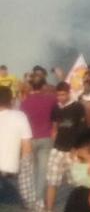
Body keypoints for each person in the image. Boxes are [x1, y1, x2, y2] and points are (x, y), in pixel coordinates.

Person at [44, 81, 86, 212]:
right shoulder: (56, 108)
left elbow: (82, 129)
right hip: (57, 149)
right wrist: (53, 137)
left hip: (73, 150)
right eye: (58, 95)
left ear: (68, 93)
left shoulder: (78, 107)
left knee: (80, 182)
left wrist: (76, 148)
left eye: (63, 94)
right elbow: (54, 126)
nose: (60, 97)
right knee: (52, 181)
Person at [20, 73, 57, 205]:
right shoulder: (51, 100)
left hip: (29, 139)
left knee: (31, 170)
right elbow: (56, 116)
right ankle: (39, 199)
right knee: (42, 170)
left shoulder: (24, 103)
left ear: (31, 86)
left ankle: (29, 199)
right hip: (46, 138)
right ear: (43, 86)